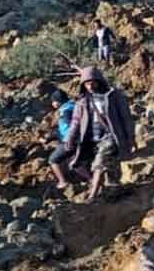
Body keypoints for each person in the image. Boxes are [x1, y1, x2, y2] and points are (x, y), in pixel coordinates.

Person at [62, 67, 135, 202]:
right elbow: (76, 121)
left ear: (99, 81)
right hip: (93, 139)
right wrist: (70, 138)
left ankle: (93, 195)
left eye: (92, 82)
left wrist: (130, 138)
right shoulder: (83, 101)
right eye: (87, 83)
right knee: (111, 166)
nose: (90, 86)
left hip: (111, 136)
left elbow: (126, 118)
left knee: (99, 163)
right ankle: (115, 191)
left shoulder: (114, 96)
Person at [48, 89, 85, 189]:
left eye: (53, 101)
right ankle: (91, 180)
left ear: (58, 101)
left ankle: (62, 182)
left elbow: (68, 128)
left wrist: (69, 140)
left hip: (70, 141)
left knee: (53, 160)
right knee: (73, 162)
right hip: (80, 139)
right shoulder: (73, 106)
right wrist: (51, 138)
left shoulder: (65, 111)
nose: (52, 104)